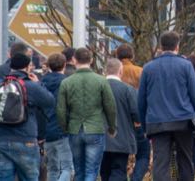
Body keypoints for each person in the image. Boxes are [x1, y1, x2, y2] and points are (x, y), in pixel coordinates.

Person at [136, 31, 195, 181]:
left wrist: (144, 126)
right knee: (185, 162)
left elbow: (141, 100)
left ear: (161, 46)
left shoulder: (148, 68)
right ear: (177, 46)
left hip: (157, 122)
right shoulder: (186, 66)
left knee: (160, 163)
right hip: (183, 121)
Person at [0, 53, 54, 181]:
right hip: (25, 139)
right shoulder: (31, 86)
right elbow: (49, 101)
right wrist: (38, 83)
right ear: (28, 67)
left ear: (10, 66)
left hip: (1, 139)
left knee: (3, 177)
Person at [56, 47, 117, 181]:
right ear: (92, 60)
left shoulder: (66, 82)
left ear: (74, 60)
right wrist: (112, 127)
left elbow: (61, 110)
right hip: (95, 128)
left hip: (74, 129)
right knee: (91, 170)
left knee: (78, 170)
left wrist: (65, 128)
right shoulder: (101, 81)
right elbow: (110, 107)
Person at [114, 47, 149, 181]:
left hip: (119, 122)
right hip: (138, 121)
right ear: (132, 56)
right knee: (143, 154)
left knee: (119, 159)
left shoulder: (115, 73)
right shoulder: (140, 71)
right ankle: (136, 178)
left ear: (117, 56)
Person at [103, 58, 140, 181]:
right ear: (120, 71)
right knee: (118, 171)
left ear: (105, 71)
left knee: (104, 172)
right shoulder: (128, 90)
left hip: (100, 138)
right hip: (122, 138)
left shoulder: (97, 88)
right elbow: (137, 114)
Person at [41, 53, 73, 181]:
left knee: (52, 168)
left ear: (48, 65)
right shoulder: (67, 82)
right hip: (62, 130)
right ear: (64, 65)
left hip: (46, 131)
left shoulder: (41, 81)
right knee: (67, 168)